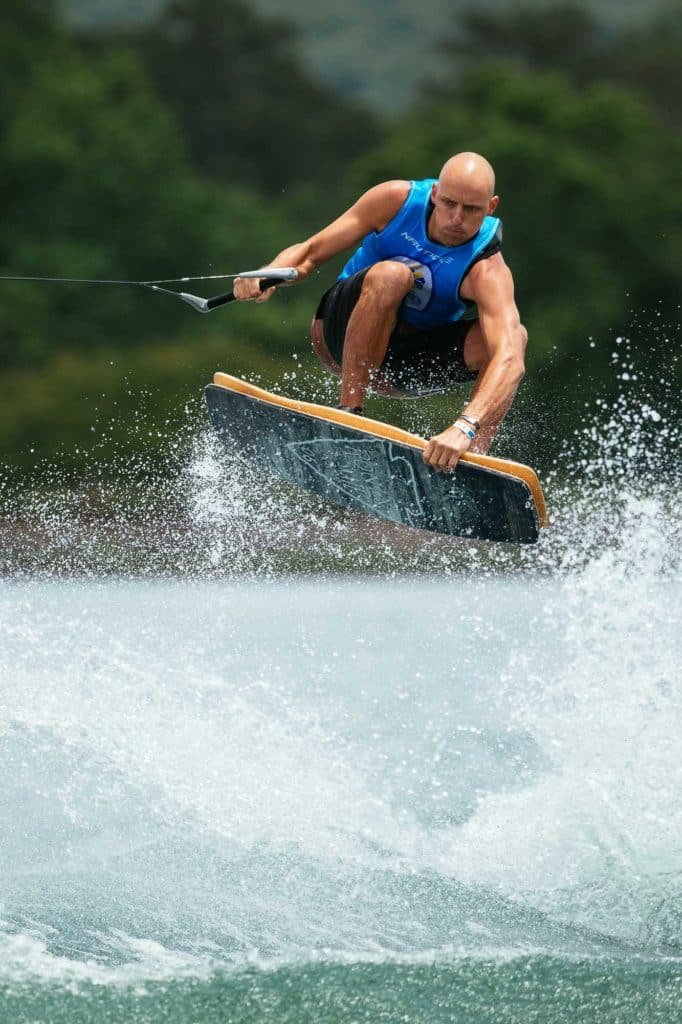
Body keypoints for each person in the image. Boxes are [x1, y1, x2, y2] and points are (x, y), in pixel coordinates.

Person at [233, 152, 527, 473]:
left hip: (402, 365)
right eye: (449, 203)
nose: (457, 218)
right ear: (434, 193)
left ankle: (470, 457)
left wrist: (465, 426)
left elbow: (510, 359)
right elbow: (310, 252)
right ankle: (349, 412)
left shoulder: (487, 271)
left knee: (512, 339)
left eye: (471, 209)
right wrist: (269, 273)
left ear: (491, 207)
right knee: (393, 275)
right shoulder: (395, 202)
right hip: (340, 335)